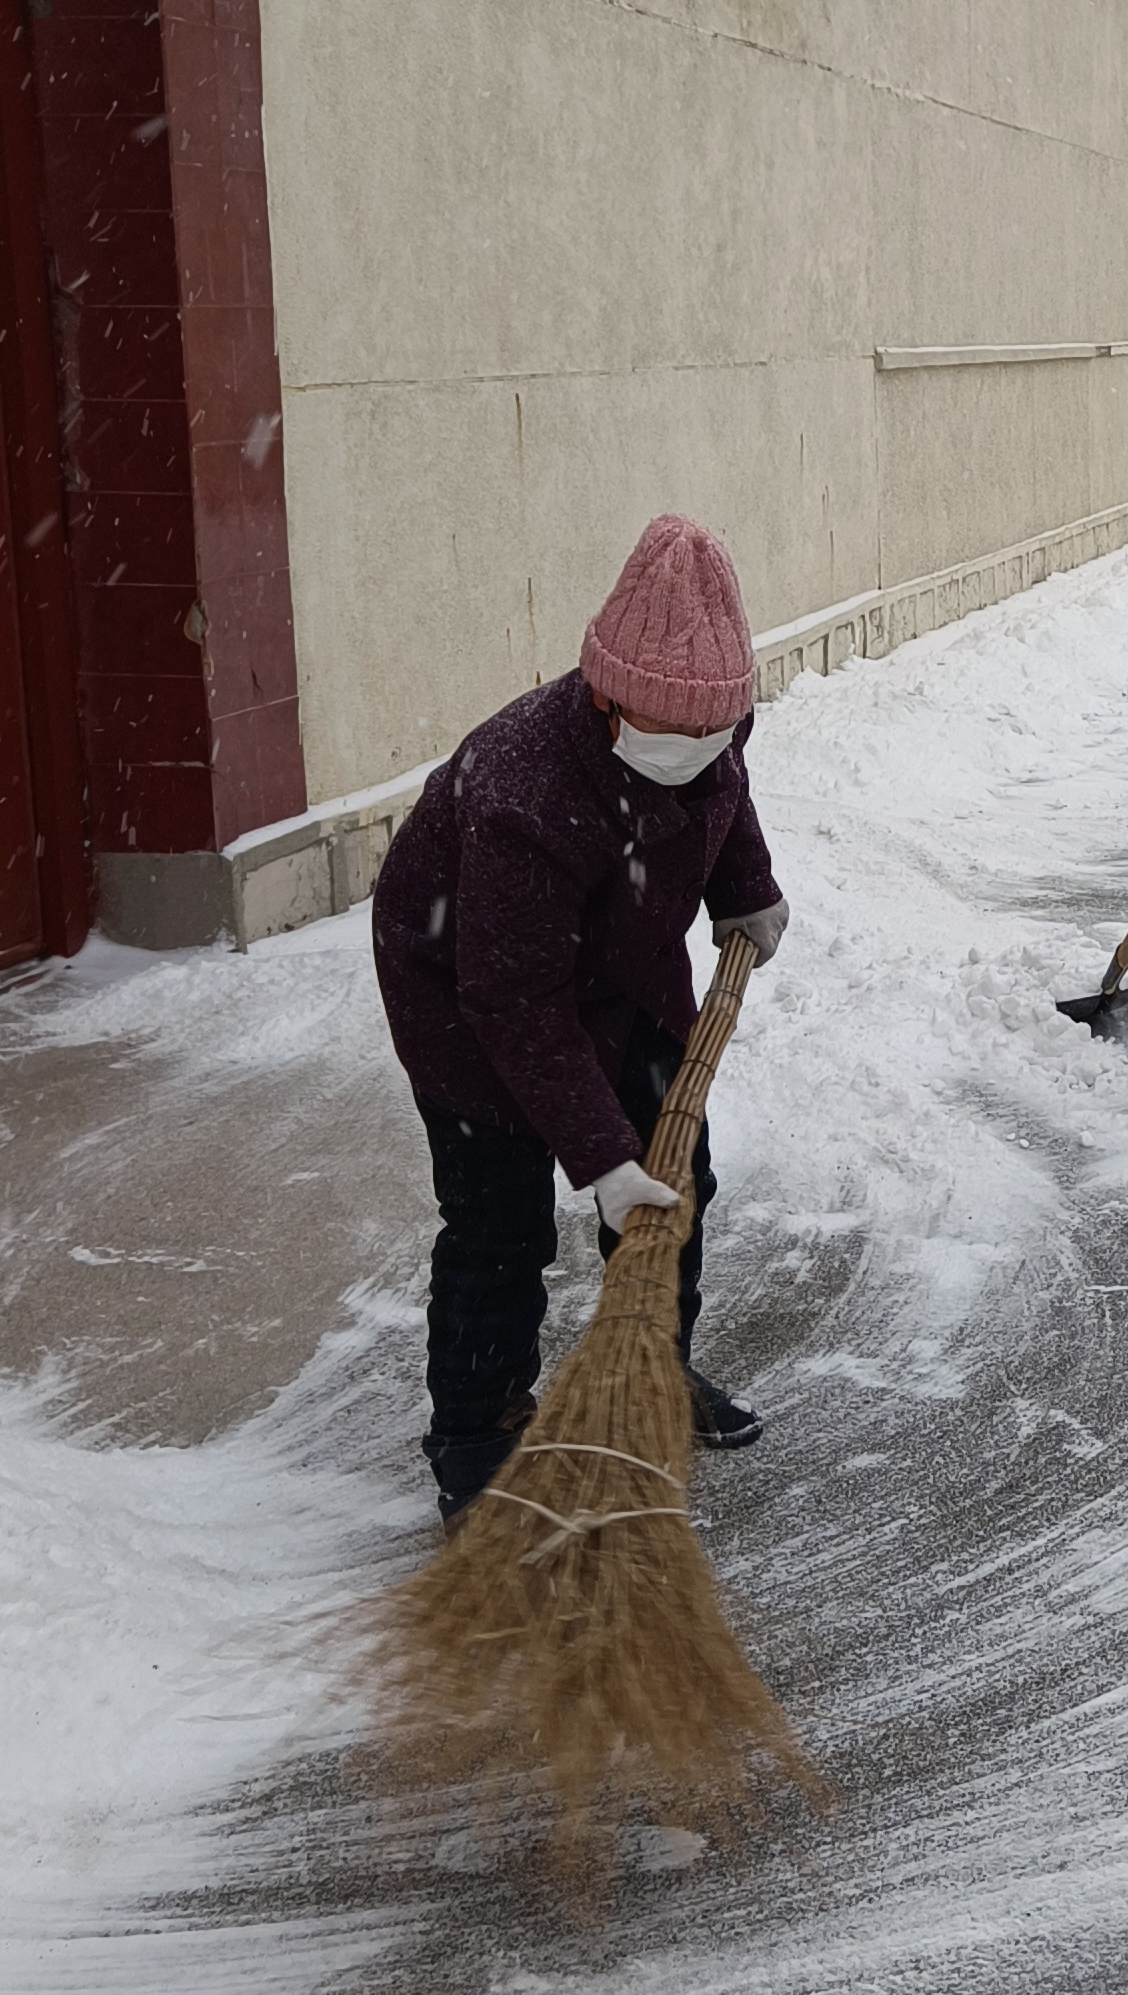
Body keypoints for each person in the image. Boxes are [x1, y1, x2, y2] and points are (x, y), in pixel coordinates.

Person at [372, 514, 791, 1522]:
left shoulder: (707, 732)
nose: (698, 749)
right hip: (468, 997)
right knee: (500, 1222)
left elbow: (723, 796)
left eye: (713, 732)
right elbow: (515, 1004)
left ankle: (653, 1369)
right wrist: (599, 1161)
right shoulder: (524, 787)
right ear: (609, 700)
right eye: (673, 733)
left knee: (673, 1182)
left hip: (623, 963)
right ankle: (476, 1434)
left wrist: (749, 888)